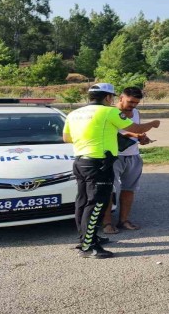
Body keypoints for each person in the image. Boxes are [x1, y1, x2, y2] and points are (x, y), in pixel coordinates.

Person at [63, 83, 161, 259]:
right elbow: (136, 129)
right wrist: (154, 123)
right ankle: (89, 246)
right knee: (96, 204)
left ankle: (85, 238)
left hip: (80, 161)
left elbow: (66, 138)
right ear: (108, 98)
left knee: (83, 201)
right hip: (100, 163)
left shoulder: (74, 113)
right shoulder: (109, 112)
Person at [102, 87, 153, 234]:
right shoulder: (110, 112)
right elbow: (116, 133)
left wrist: (143, 138)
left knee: (129, 189)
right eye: (130, 102)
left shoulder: (136, 112)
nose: (133, 106)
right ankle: (107, 223)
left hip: (133, 156)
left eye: (136, 103)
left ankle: (124, 221)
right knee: (109, 190)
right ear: (120, 98)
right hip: (113, 157)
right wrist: (134, 134)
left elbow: (136, 131)